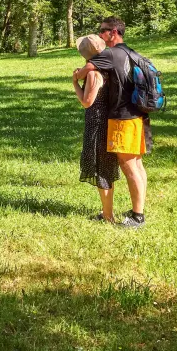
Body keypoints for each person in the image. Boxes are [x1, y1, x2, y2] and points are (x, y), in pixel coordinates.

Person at [74, 16, 152, 229]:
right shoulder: (131, 52)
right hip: (139, 114)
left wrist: (76, 78)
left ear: (113, 32)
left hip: (123, 117)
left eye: (103, 30)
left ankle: (138, 217)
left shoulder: (109, 54)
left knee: (129, 167)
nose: (101, 34)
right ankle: (139, 210)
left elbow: (86, 70)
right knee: (136, 164)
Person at [72, 34, 119, 222]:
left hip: (97, 123)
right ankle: (107, 211)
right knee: (106, 168)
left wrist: (75, 82)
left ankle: (108, 216)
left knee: (101, 169)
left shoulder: (92, 73)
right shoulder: (107, 68)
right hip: (107, 120)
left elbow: (86, 102)